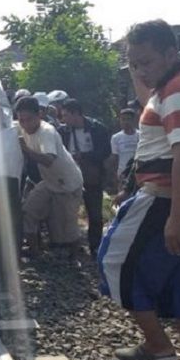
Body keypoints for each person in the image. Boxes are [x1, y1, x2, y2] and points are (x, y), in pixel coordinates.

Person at [98, 20, 180, 360]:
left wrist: (176, 217)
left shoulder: (179, 91)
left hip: (171, 197)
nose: (139, 69)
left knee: (113, 261)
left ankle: (157, 344)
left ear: (171, 53)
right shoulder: (177, 80)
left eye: (145, 62)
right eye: (133, 63)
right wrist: (142, 75)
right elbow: (152, 108)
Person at [15, 96, 83, 258]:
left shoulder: (47, 132)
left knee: (67, 225)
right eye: (21, 120)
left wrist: (25, 149)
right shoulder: (20, 126)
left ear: (39, 115)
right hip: (48, 181)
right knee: (28, 211)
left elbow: (48, 160)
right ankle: (34, 251)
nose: (25, 124)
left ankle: (75, 258)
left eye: (28, 119)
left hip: (67, 182)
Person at [58, 99, 111, 253]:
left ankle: (95, 247)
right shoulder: (63, 132)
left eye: (66, 115)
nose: (64, 119)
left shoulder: (97, 128)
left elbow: (105, 152)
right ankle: (71, 245)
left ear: (76, 114)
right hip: (70, 176)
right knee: (68, 213)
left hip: (92, 176)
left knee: (94, 214)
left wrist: (85, 156)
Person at [110, 108, 139, 189]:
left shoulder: (140, 136)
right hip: (123, 173)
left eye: (128, 119)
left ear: (133, 120)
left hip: (138, 172)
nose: (126, 122)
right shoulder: (116, 138)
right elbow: (115, 157)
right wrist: (114, 175)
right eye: (123, 119)